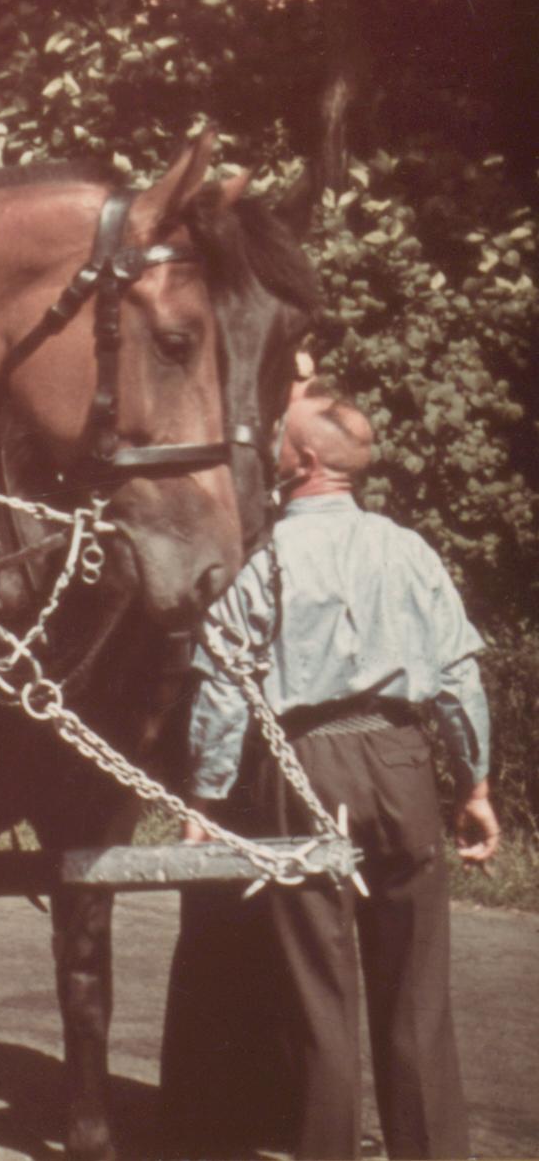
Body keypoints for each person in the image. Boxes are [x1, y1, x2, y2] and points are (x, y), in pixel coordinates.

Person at [177, 385, 496, 1160]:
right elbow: (459, 681)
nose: (266, 449)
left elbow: (224, 687)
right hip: (403, 762)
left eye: (277, 440)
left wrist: (204, 803)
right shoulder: (409, 550)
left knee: (317, 995)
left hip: (305, 766)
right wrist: (476, 788)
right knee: (416, 992)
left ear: (305, 460)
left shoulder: (268, 561)